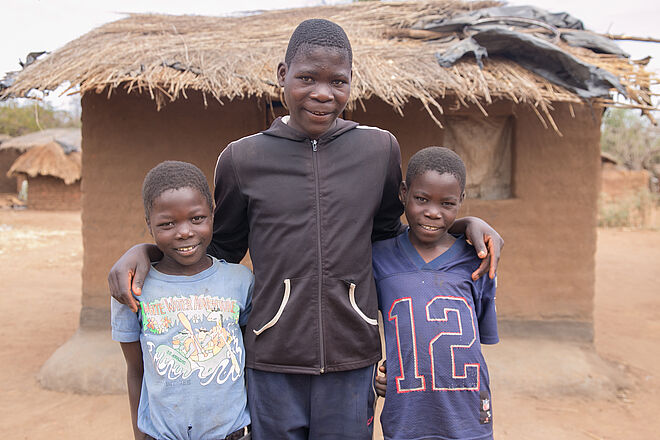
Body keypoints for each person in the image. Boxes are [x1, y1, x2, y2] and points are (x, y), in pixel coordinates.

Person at [108, 19, 503, 440]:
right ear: (282, 75)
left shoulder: (378, 150)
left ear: (352, 83)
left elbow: (391, 236)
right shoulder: (243, 159)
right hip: (272, 356)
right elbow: (216, 250)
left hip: (353, 356)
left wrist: (464, 224)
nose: (322, 93)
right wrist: (147, 252)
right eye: (306, 78)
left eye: (338, 81)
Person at [111, 161, 253, 440]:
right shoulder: (132, 290)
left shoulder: (241, 281)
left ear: (213, 215)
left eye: (197, 218)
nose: (185, 232)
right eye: (167, 224)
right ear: (148, 224)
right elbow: (136, 371)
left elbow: (250, 365)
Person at [372, 147, 498, 440]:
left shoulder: (478, 262)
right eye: (422, 199)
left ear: (462, 202)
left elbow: (477, 341)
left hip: (467, 415)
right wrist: (378, 374)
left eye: (447, 203)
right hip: (406, 415)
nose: (433, 211)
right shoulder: (379, 258)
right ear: (404, 193)